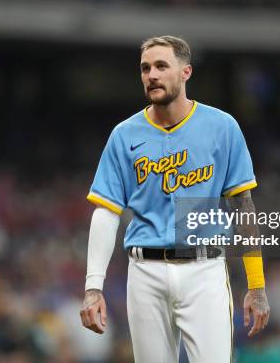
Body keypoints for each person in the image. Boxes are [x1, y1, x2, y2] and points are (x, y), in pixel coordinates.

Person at [79, 35, 270, 362]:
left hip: (204, 270)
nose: (151, 74)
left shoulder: (222, 127)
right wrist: (93, 287)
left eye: (161, 66)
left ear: (185, 72)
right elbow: (106, 212)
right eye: (145, 68)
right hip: (144, 272)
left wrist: (257, 285)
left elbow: (243, 206)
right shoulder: (124, 134)